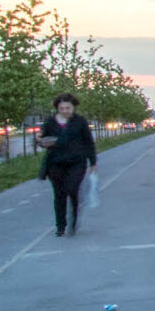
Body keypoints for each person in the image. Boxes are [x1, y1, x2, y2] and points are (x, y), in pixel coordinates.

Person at [37, 93, 97, 236]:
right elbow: (43, 139)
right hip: (55, 162)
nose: (65, 111)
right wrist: (40, 140)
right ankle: (60, 226)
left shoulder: (80, 121)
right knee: (59, 194)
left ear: (73, 107)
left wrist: (93, 161)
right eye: (62, 108)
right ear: (57, 108)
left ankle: (73, 220)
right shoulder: (50, 122)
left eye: (68, 108)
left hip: (77, 162)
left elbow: (88, 142)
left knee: (72, 189)